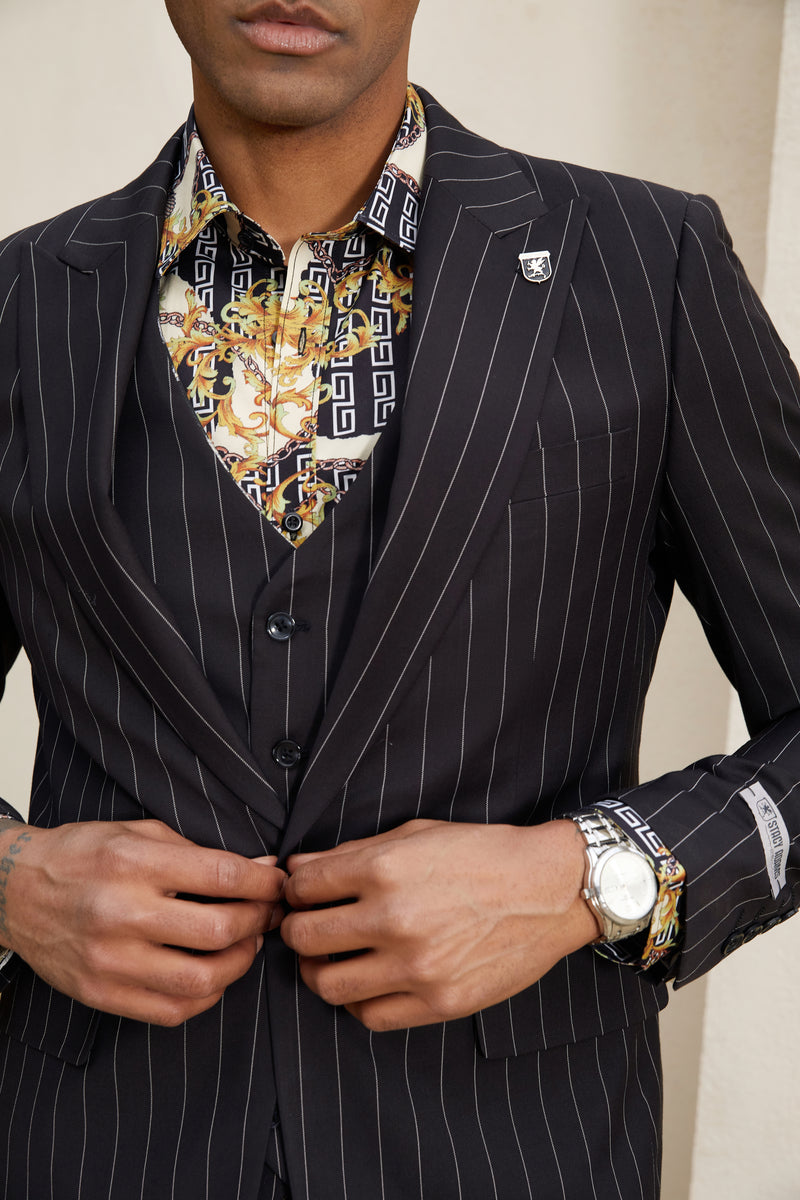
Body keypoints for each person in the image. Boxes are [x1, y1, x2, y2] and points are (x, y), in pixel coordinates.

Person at [0, 1, 798, 1196]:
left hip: (514, 1151)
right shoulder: (19, 302)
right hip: (93, 1148)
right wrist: (11, 882)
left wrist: (590, 877)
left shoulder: (649, 266)